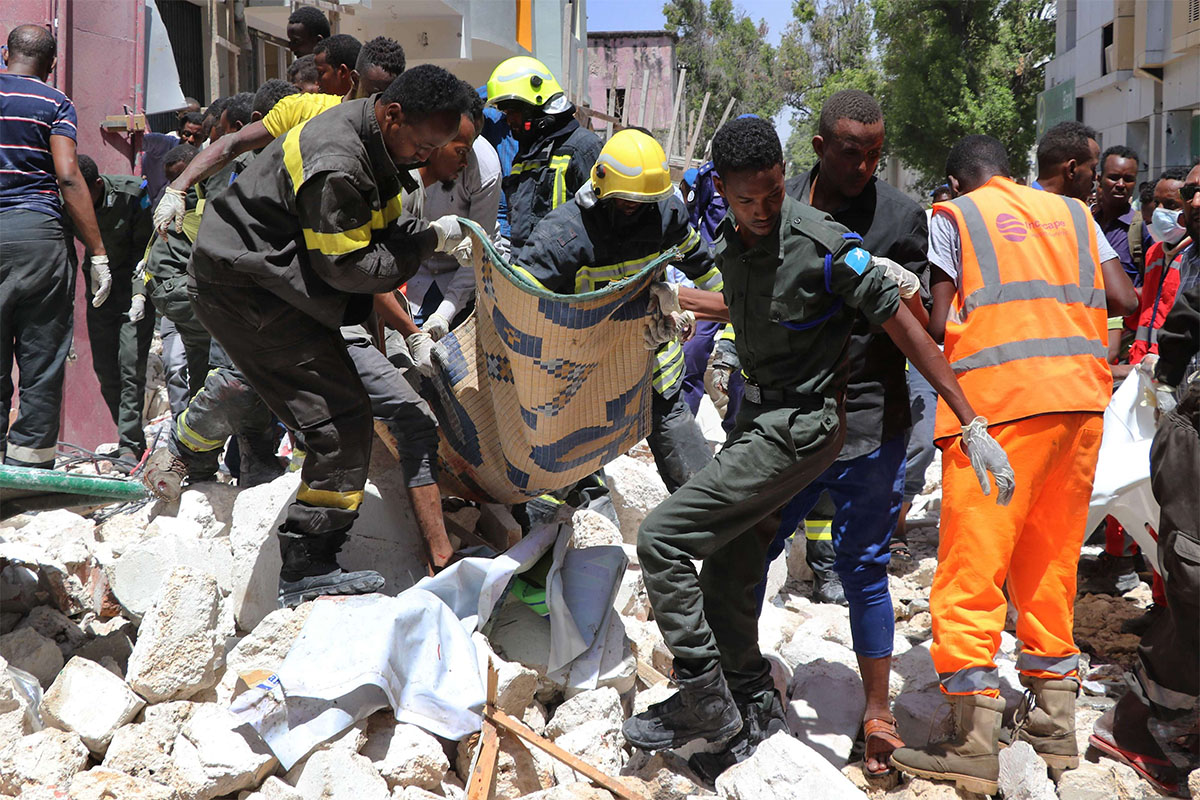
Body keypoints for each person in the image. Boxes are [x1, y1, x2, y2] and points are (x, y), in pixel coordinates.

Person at [622, 118, 1014, 762]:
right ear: (722, 190)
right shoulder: (732, 238)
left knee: (663, 537)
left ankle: (703, 694)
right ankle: (748, 703)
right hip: (757, 418)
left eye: (773, 194)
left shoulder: (827, 244)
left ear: (785, 179)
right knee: (730, 562)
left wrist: (970, 420)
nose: (762, 210)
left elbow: (910, 331)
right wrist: (677, 297)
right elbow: (750, 305)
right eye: (747, 199)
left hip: (801, 428)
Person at [889, 135, 1137, 795]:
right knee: (1050, 564)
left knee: (973, 568)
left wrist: (901, 295)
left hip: (995, 413)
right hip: (1081, 406)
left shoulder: (955, 218)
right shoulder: (1075, 215)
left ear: (955, 179)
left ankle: (972, 740)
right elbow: (1125, 299)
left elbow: (940, 321)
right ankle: (1055, 729)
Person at [693, 89, 927, 780]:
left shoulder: (901, 218)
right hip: (779, 422)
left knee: (864, 568)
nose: (865, 166)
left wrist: (907, 294)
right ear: (820, 149)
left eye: (876, 154)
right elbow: (746, 297)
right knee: (747, 550)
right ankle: (738, 691)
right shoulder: (770, 201)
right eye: (852, 152)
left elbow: (925, 329)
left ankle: (877, 715)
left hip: (870, 419)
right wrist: (686, 306)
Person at [187, 66, 473, 605]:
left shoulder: (379, 146)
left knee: (341, 412)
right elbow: (350, 267)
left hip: (277, 282)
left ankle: (310, 557)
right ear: (393, 114)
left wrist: (424, 237)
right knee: (338, 418)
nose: (426, 157)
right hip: (246, 289)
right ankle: (306, 565)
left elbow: (379, 229)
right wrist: (427, 242)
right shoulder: (339, 161)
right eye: (424, 144)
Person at [513, 129, 719, 493]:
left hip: (654, 371)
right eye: (627, 202)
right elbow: (521, 306)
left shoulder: (665, 212)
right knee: (568, 486)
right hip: (585, 380)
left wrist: (698, 312)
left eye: (646, 201)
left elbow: (706, 271)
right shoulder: (563, 236)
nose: (637, 209)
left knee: (699, 487)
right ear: (602, 187)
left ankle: (711, 540)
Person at [1089, 160, 1199, 797]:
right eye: (1187, 192)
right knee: (1191, 577)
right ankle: (1144, 723)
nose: (1190, 202)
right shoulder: (1157, 251)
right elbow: (1160, 327)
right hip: (1186, 423)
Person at [1033, 123, 1143, 597]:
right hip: (1075, 379)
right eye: (1099, 171)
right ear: (1073, 169)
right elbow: (1124, 299)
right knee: (1063, 504)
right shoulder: (1080, 220)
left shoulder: (994, 215)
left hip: (1006, 386)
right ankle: (1046, 628)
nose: (1106, 181)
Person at [1, 24, 110, 469]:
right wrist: (98, 251)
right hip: (38, 237)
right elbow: (68, 175)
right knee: (41, 355)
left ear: (4, 54)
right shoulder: (55, 102)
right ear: (51, 65)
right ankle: (28, 464)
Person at [153, 37, 406, 214]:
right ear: (354, 79)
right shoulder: (303, 108)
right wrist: (179, 186)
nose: (379, 104)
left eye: (387, 96)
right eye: (373, 93)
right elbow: (234, 143)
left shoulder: (394, 131)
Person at [73, 155, 155, 460]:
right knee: (106, 370)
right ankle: (131, 438)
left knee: (130, 367)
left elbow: (145, 249)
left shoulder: (131, 194)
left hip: (133, 287)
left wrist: (139, 295)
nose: (76, 199)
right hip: (99, 290)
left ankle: (130, 446)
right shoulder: (65, 198)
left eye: (83, 192)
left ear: (97, 185)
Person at [486, 56, 602, 252]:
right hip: (529, 273)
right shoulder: (526, 156)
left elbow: (603, 223)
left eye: (513, 111)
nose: (508, 120)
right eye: (505, 113)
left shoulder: (583, 148)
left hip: (568, 276)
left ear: (536, 108)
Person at [410, 88, 502, 336]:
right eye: (460, 149)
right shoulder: (407, 155)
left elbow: (478, 251)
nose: (465, 160)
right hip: (411, 274)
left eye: (471, 146)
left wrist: (444, 313)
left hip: (464, 280)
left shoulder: (486, 168)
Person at [1095, 145, 1141, 285]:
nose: (1121, 185)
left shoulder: (1141, 229)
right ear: (1099, 179)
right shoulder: (1086, 222)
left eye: (1128, 179)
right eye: (1113, 177)